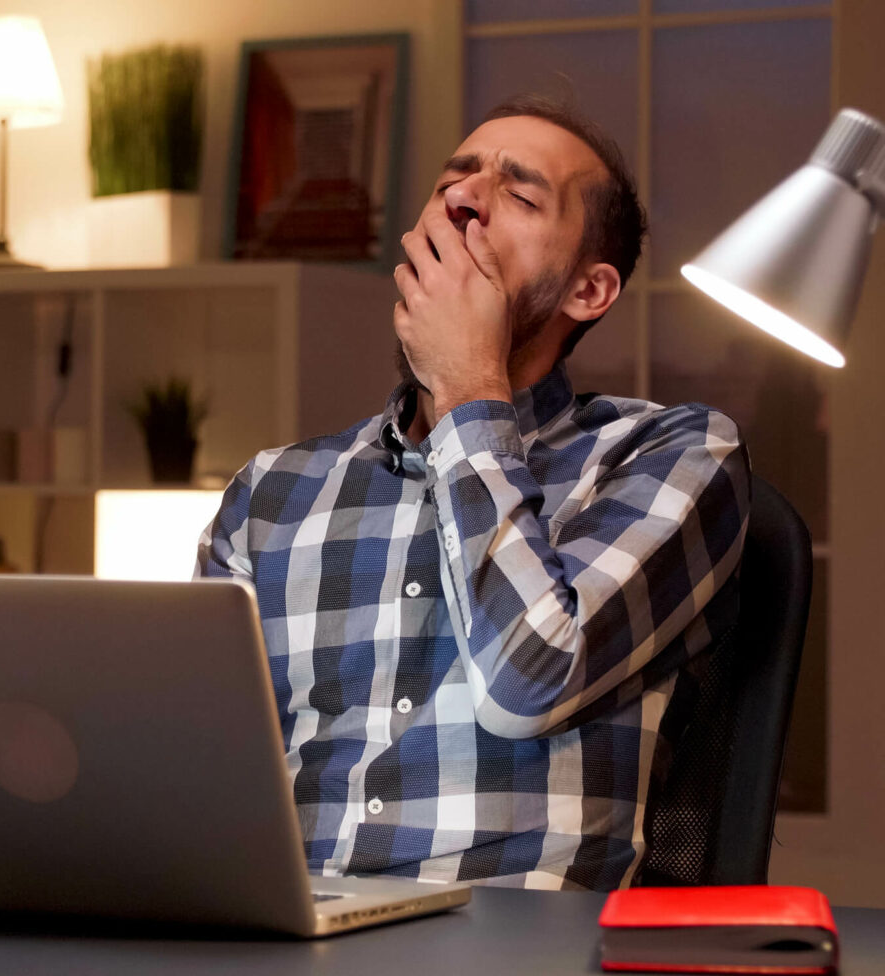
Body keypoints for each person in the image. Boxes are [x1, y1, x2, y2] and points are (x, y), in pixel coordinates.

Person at [195, 94, 750, 890]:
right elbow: (200, 784)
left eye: (520, 196)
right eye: (453, 180)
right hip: (290, 938)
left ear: (588, 293)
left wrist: (466, 388)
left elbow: (528, 683)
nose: (463, 198)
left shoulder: (672, 453)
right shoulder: (274, 491)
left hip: (515, 948)